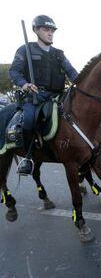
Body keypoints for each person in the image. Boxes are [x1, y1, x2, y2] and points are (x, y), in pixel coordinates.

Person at [9, 15, 78, 175]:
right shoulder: (25, 49)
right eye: (46, 29)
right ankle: (27, 157)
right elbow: (14, 71)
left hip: (58, 96)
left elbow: (72, 73)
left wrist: (82, 83)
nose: (50, 33)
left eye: (52, 30)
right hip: (35, 96)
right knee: (28, 120)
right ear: (36, 30)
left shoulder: (59, 54)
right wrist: (25, 84)